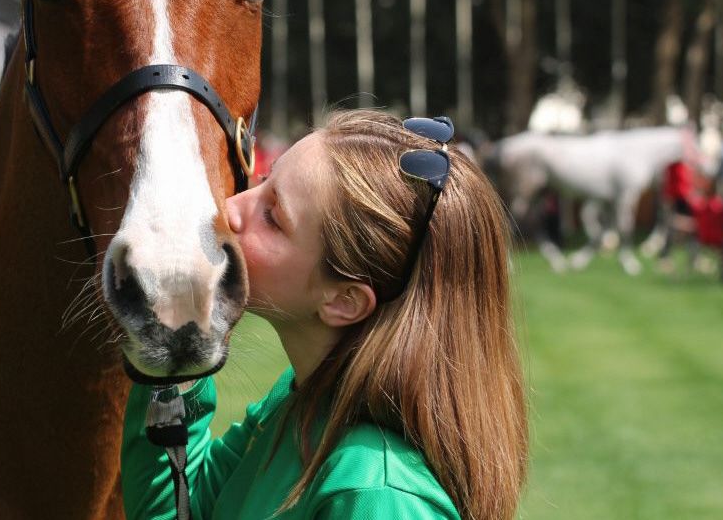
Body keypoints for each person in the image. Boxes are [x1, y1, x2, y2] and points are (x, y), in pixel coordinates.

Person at [122, 110, 528, 519]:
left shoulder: (377, 497)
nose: (229, 209)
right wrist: (176, 349)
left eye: (272, 217)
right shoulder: (305, 401)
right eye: (264, 181)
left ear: (344, 302)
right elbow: (184, 510)